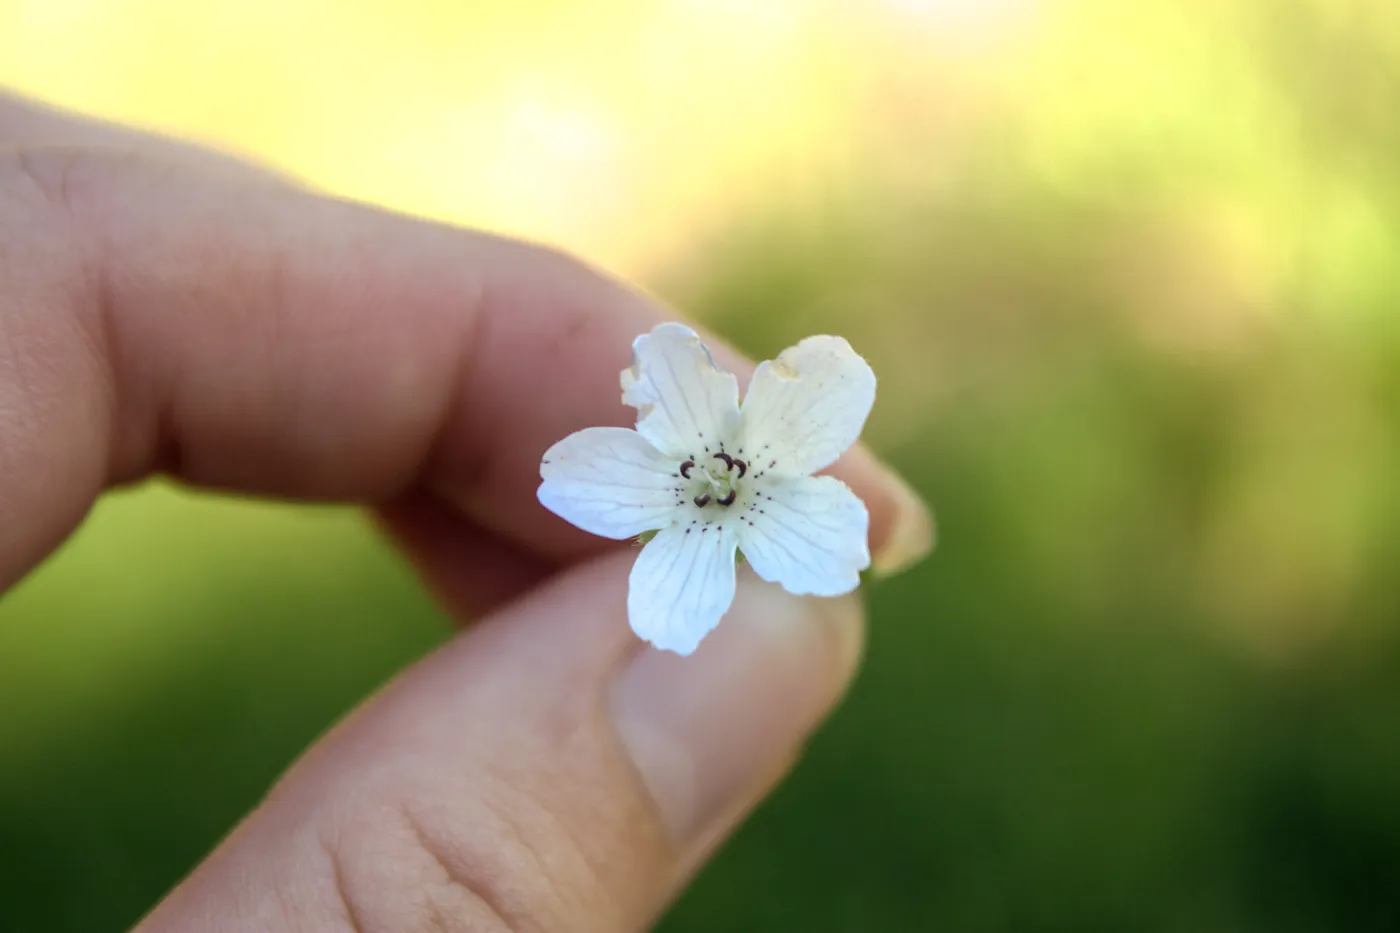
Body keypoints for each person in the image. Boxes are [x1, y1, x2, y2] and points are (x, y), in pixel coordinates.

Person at [0, 92, 932, 932]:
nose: (722, 482)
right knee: (664, 608)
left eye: (725, 480)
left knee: (728, 583)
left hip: (748, 532)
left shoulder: (783, 453)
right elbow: (587, 482)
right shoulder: (672, 454)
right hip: (681, 533)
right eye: (716, 478)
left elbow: (802, 449)